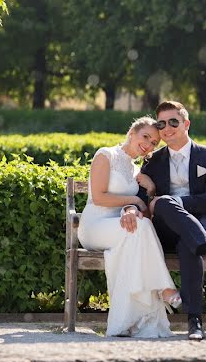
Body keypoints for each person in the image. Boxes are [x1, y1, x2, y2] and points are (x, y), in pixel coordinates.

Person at [136, 100, 206, 341]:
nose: (167, 128)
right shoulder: (152, 160)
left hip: (205, 222)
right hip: (167, 228)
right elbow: (141, 199)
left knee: (187, 243)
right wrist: (148, 195)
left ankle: (195, 321)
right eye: (162, 124)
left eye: (173, 122)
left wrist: (173, 202)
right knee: (164, 204)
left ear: (186, 123)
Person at [77, 117, 180, 338]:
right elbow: (99, 197)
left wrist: (149, 189)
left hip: (123, 227)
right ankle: (163, 287)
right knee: (139, 229)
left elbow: (143, 210)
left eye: (154, 143)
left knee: (139, 231)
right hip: (95, 226)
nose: (148, 145)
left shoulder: (136, 172)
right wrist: (134, 202)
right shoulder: (106, 155)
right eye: (146, 137)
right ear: (132, 133)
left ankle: (129, 321)